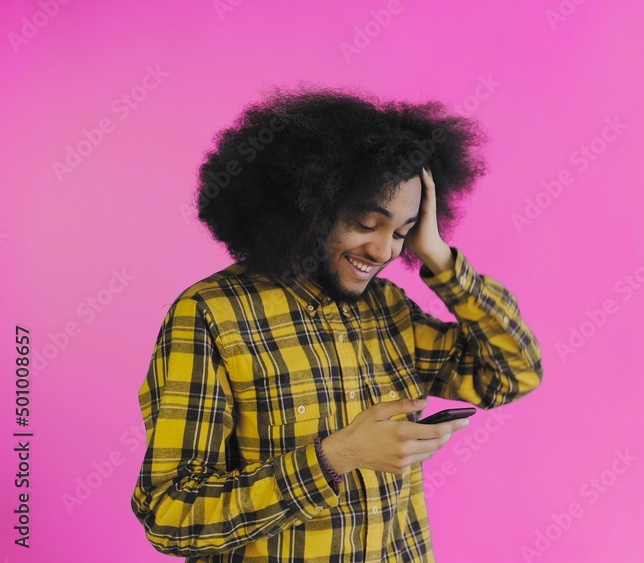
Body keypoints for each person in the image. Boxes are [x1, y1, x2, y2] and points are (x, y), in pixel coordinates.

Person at [130, 86, 544, 562]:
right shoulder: (211, 315)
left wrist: (441, 258)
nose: (385, 251)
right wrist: (337, 456)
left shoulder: (387, 309)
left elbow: (513, 374)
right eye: (367, 224)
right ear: (309, 208)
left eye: (403, 233)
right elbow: (171, 516)